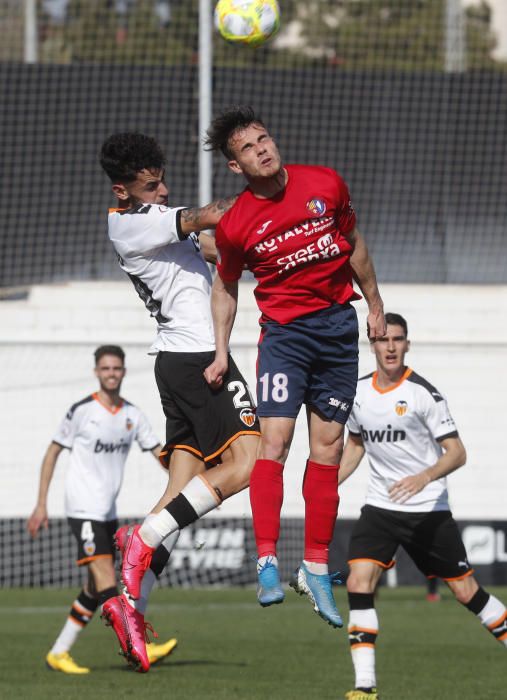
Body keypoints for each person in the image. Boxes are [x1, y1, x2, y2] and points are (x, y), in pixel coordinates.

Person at [202, 105, 385, 627]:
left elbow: (352, 245)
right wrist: (221, 351)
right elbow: (226, 286)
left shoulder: (325, 183)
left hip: (337, 332)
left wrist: (373, 303)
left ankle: (314, 566)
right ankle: (265, 559)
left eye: (264, 138)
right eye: (248, 147)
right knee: (275, 442)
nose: (263, 148)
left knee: (327, 450)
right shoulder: (236, 224)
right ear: (236, 166)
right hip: (284, 338)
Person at [98, 132, 260, 671]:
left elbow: (218, 244)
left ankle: (130, 607)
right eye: (150, 185)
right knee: (250, 461)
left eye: (162, 178)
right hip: (194, 359)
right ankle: (141, 537)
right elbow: (210, 216)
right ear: (123, 190)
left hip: (177, 360)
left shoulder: (156, 218)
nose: (163, 189)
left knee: (177, 493)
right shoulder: (131, 223)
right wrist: (272, 199)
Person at [339, 313, 507, 700]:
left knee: (467, 592)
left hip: (428, 509)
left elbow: (457, 453)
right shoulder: (357, 394)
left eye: (398, 339)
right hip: (380, 507)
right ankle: (365, 686)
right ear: (373, 345)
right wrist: (326, 485)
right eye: (384, 340)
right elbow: (356, 446)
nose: (391, 346)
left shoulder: (423, 394)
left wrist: (424, 477)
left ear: (408, 345)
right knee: (357, 582)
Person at [27, 345, 177, 674]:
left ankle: (59, 652)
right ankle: (139, 647)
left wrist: (191, 479)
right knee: (108, 581)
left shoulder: (133, 415)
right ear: (97, 371)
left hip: (107, 513)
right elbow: (53, 452)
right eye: (106, 368)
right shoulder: (82, 411)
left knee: (95, 588)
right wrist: (41, 503)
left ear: (123, 372)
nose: (111, 373)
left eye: (117, 368)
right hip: (82, 509)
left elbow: (161, 456)